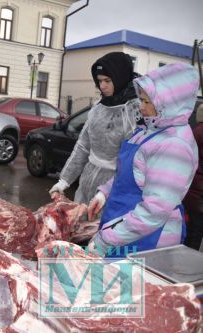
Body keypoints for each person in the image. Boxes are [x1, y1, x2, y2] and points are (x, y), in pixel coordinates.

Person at [87, 62, 200, 258]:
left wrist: (107, 239)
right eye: (141, 99)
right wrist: (104, 194)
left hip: (146, 240)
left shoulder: (174, 146)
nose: (141, 106)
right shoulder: (150, 130)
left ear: (170, 103)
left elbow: (154, 211)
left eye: (148, 102)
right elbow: (128, 175)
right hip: (124, 228)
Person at [49, 52, 138, 204]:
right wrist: (64, 180)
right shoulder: (98, 108)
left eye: (107, 80)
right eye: (99, 81)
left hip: (115, 192)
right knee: (81, 225)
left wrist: (106, 193)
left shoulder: (135, 111)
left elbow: (135, 163)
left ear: (120, 77)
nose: (102, 86)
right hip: (87, 183)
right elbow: (83, 147)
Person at [183, 104, 203, 250]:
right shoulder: (200, 132)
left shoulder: (196, 131)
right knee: (197, 233)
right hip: (199, 193)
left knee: (192, 231)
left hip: (193, 190)